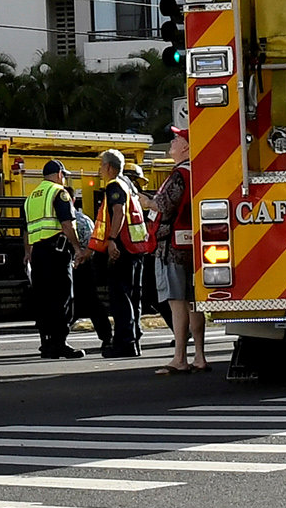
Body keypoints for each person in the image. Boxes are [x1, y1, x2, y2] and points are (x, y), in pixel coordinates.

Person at [84, 150, 149, 358]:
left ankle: (124, 344)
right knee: (133, 298)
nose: (100, 170)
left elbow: (118, 212)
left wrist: (111, 240)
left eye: (101, 166)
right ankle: (133, 340)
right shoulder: (128, 185)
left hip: (122, 248)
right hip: (136, 249)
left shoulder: (114, 186)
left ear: (109, 167)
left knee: (120, 298)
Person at [22, 158, 83, 360]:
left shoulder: (31, 197)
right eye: (64, 175)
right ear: (59, 174)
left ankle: (46, 344)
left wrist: (28, 252)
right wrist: (77, 247)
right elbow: (67, 224)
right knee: (63, 298)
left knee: (43, 298)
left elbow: (26, 230)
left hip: (38, 253)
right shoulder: (59, 193)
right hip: (57, 252)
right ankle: (60, 343)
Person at [152, 162, 208, 372]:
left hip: (173, 245)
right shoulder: (198, 170)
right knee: (194, 301)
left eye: (176, 141)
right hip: (192, 242)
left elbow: (165, 205)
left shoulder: (180, 174)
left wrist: (148, 201)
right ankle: (200, 356)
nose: (172, 144)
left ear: (185, 148)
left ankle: (179, 358)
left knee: (177, 301)